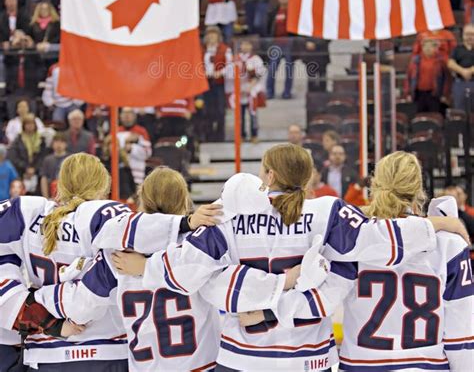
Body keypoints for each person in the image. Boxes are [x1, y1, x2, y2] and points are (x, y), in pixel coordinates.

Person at [127, 145, 467, 372]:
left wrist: (147, 268)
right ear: (308, 178)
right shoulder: (327, 213)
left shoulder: (228, 216)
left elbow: (198, 279)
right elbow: (369, 249)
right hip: (308, 360)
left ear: (270, 176)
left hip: (242, 359)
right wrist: (439, 223)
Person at [241, 151, 473, 372]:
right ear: (419, 190)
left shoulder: (352, 244)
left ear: (374, 184)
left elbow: (322, 301)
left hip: (361, 364)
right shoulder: (450, 245)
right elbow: (462, 335)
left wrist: (267, 312)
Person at [0, 153, 216, 371]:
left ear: (60, 184)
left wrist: (30, 307)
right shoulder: (103, 215)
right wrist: (185, 223)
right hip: (108, 350)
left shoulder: (26, 211)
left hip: (45, 355)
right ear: (103, 184)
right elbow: (137, 231)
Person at [202, 26, 232, 142]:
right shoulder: (202, 50)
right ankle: (207, 135)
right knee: (207, 110)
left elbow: (229, 65)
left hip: (219, 83)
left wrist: (220, 72)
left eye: (214, 35)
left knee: (220, 110)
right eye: (209, 35)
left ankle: (220, 136)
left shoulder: (225, 49)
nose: (211, 37)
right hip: (206, 83)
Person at [405, 38, 450, 113]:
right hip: (419, 94)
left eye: (430, 46)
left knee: (434, 114)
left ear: (435, 48)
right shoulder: (415, 60)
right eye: (425, 46)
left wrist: (445, 94)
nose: (427, 49)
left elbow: (446, 79)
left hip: (434, 94)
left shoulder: (440, 61)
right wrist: (408, 93)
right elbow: (409, 78)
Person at [266, 0, 294, 98]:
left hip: (289, 43)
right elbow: (269, 27)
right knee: (272, 67)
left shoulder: (292, 12)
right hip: (276, 43)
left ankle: (287, 92)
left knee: (289, 68)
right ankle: (270, 91)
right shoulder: (274, 12)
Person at [237, 39, 265, 142]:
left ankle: (254, 134)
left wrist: (251, 86)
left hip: (252, 89)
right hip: (239, 89)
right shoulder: (236, 59)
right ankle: (241, 135)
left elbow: (259, 73)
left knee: (253, 113)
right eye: (244, 44)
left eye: (248, 44)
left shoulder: (256, 59)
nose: (246, 46)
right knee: (240, 115)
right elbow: (232, 73)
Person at [116, 107, 151, 186]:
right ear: (120, 116)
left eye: (129, 113)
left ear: (134, 116)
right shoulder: (116, 131)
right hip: (118, 173)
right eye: (124, 113)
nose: (127, 116)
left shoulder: (141, 131)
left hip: (137, 173)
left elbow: (147, 152)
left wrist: (132, 148)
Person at [6, 114, 47, 178]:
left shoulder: (41, 139)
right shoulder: (18, 140)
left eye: (32, 124)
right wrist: (26, 168)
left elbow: (43, 156)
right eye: (27, 124)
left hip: (38, 170)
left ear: (35, 125)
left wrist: (34, 168)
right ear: (23, 126)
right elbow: (13, 157)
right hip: (21, 170)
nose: (30, 126)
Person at [99, 135, 136, 204]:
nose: (114, 147)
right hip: (109, 200)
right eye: (111, 144)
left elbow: (132, 183)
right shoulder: (102, 164)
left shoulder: (124, 163)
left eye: (116, 145)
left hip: (125, 198)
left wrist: (132, 196)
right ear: (107, 147)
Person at [447, 23, 474, 110]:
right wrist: (462, 71)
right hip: (460, 83)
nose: (469, 37)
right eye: (467, 34)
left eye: (472, 34)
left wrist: (470, 71)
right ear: (462, 36)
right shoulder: (457, 49)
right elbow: (450, 63)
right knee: (460, 110)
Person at [39, 132, 68, 199]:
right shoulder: (47, 160)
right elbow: (44, 179)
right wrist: (46, 197)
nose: (59, 145)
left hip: (66, 194)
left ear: (66, 144)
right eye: (56, 142)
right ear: (52, 144)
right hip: (51, 194)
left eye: (61, 142)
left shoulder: (70, 159)